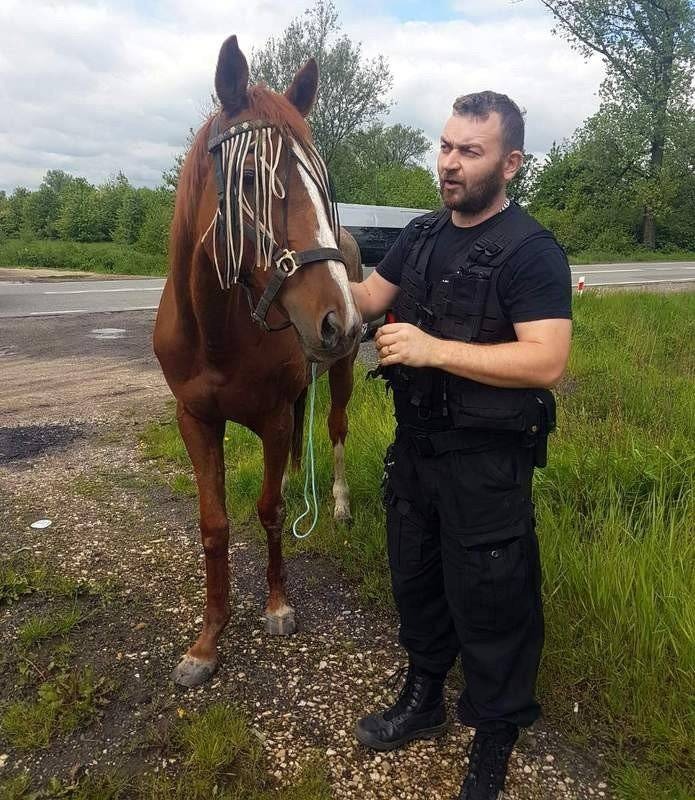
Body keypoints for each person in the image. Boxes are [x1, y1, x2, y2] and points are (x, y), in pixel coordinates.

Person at [348, 91, 572, 800]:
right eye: (445, 146)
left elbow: (546, 361)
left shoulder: (531, 252)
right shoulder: (418, 235)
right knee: (415, 582)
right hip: (415, 452)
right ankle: (423, 700)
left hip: (486, 465)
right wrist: (302, 267)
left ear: (510, 164)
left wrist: (432, 349)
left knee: (491, 602)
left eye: (469, 151)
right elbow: (366, 299)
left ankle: (494, 739)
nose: (448, 162)